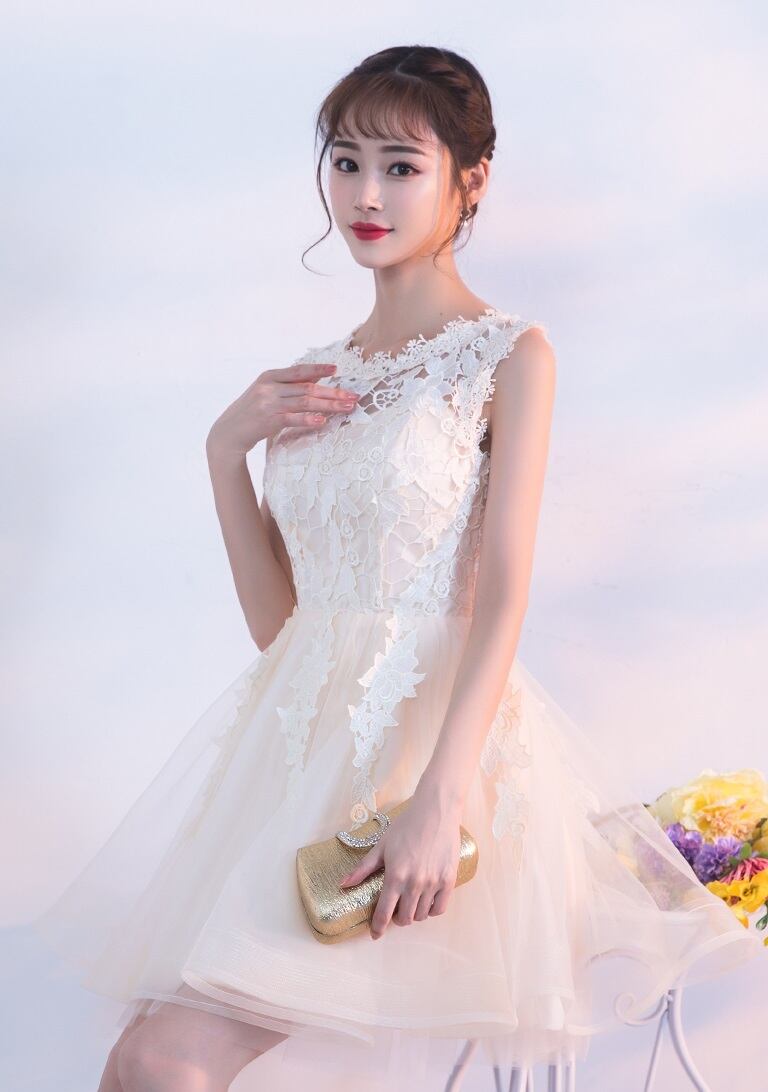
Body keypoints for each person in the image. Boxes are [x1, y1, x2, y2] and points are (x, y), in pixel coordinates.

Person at [31, 44, 761, 1092]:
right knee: (138, 1061)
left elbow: (503, 595)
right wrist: (224, 451)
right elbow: (286, 633)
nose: (365, 195)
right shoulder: (311, 379)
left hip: (424, 768)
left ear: (473, 178)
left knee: (163, 1062)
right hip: (289, 766)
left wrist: (439, 799)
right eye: (346, 162)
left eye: (401, 166)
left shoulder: (508, 354)